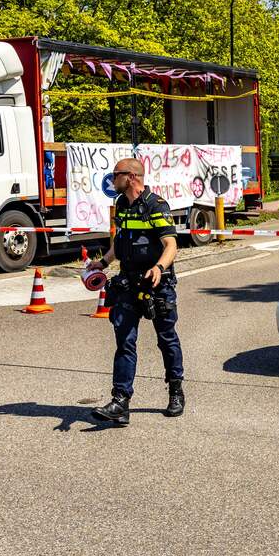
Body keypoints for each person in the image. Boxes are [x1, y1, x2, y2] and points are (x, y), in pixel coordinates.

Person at [86, 158, 184, 425]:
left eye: (115, 175)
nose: (111, 179)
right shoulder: (121, 205)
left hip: (157, 285)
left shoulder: (155, 205)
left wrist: (159, 268)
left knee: (166, 339)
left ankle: (176, 390)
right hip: (128, 283)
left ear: (130, 177)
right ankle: (121, 401)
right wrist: (103, 262)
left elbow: (171, 244)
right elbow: (120, 242)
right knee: (125, 342)